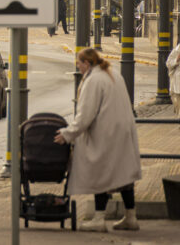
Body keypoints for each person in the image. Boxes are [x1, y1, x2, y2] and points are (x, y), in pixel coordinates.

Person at [54, 48, 142, 232]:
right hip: (123, 130)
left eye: (79, 63)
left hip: (105, 133)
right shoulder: (114, 74)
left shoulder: (94, 80)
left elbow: (85, 115)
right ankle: (131, 217)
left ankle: (99, 218)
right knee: (123, 173)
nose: (78, 67)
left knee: (100, 171)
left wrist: (68, 134)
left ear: (87, 63)